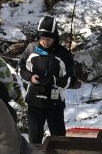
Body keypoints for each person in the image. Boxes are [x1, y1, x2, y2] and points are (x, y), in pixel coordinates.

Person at [18, 15, 75, 143]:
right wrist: (30, 77)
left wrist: (54, 81)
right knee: (34, 139)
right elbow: (20, 68)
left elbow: (71, 80)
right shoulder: (31, 48)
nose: (45, 42)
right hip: (34, 100)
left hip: (55, 101)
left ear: (55, 37)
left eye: (48, 39)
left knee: (58, 138)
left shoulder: (64, 54)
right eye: (42, 38)